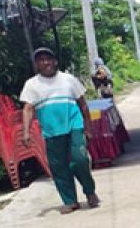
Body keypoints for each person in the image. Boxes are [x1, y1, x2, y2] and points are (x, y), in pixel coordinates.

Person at [18, 47, 99, 214]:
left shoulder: (68, 79)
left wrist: (88, 127)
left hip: (73, 125)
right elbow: (27, 109)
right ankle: (70, 201)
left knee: (80, 159)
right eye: (41, 60)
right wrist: (25, 133)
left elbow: (83, 105)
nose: (46, 62)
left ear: (55, 61)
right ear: (36, 64)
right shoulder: (32, 84)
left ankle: (90, 191)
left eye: (48, 58)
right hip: (52, 131)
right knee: (59, 167)